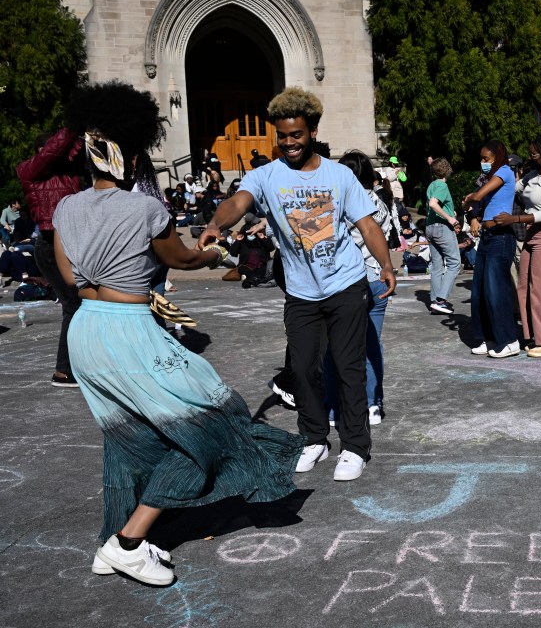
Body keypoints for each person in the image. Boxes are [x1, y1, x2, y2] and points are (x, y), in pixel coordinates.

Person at [51, 80, 304, 587]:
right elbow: (182, 258)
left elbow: (68, 277)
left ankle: (114, 538)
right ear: (130, 154)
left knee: (128, 439)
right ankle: (129, 543)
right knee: (209, 430)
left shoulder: (66, 208)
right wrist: (214, 253)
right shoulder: (145, 209)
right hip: (129, 334)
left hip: (86, 332)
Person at [200, 87, 396, 481]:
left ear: (313, 131)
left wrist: (386, 264)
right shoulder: (265, 176)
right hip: (302, 293)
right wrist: (216, 224)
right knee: (304, 368)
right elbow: (238, 202)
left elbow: (367, 223)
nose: (289, 142)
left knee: (347, 366)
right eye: (283, 135)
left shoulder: (338, 175)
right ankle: (314, 439)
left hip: (346, 285)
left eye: (297, 135)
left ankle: (355, 446)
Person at [331, 150, 397, 425]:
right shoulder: (378, 202)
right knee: (371, 344)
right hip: (377, 275)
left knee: (339, 346)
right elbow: (388, 233)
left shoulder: (339, 203)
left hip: (348, 279)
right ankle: (372, 404)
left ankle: (337, 406)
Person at [16, 129, 86, 387]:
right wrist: (72, 124)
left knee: (85, 303)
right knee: (73, 304)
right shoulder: (29, 170)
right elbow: (54, 151)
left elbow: (76, 148)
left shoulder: (67, 172)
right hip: (49, 245)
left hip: (72, 242)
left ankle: (82, 363)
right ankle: (64, 371)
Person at [492, 137, 541, 358]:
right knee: (523, 287)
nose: (530, 157)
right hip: (532, 234)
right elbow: (512, 188)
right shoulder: (531, 176)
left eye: (534, 154)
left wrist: (513, 219)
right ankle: (533, 335)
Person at [462, 139, 519, 358]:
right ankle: (489, 337)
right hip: (487, 237)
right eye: (481, 158)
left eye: (486, 158)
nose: (482, 162)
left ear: (497, 156)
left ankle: (509, 339)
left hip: (501, 237)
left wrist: (470, 199)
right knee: (480, 291)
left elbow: (477, 196)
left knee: (497, 291)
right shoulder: (489, 177)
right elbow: (475, 205)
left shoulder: (504, 172)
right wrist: (473, 211)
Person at [424, 158, 461, 314]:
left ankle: (435, 301)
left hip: (430, 227)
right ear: (448, 170)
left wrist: (449, 211)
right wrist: (450, 218)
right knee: (454, 263)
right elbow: (433, 203)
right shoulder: (442, 185)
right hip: (442, 228)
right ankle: (441, 300)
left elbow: (433, 206)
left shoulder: (432, 185)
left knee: (437, 266)